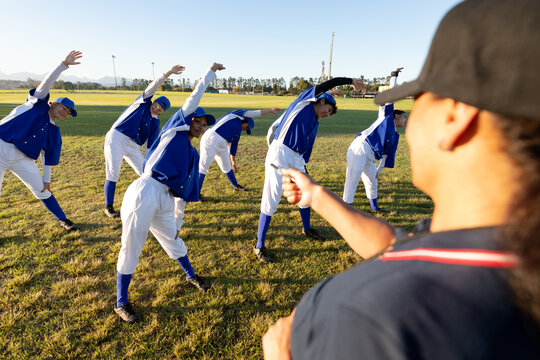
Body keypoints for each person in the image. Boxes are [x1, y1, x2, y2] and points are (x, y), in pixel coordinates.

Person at [262, 0, 540, 358]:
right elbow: (401, 243)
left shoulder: (362, 316)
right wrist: (316, 196)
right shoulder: (511, 250)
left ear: (455, 117)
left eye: (419, 98)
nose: (406, 120)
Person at [114, 62, 225, 323]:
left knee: (174, 240)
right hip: (145, 190)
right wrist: (209, 74)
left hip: (164, 198)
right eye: (198, 121)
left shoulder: (193, 153)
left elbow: (184, 193)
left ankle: (191, 275)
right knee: (132, 246)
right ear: (189, 120)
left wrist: (178, 221)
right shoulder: (174, 130)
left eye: (204, 125)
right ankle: (121, 302)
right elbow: (193, 98)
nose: (200, 126)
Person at [254, 77, 364, 263]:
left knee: (305, 193)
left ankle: (307, 229)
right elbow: (326, 85)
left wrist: (302, 166)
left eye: (330, 113)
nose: (327, 114)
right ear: (320, 101)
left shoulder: (315, 122)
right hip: (280, 154)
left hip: (295, 157)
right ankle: (259, 245)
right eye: (327, 109)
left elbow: (306, 148)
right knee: (271, 200)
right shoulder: (304, 102)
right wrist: (350, 80)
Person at [0, 51, 82, 231]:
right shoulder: (37, 103)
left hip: (23, 158)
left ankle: (64, 220)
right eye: (63, 107)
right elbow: (47, 83)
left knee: (43, 191)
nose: (64, 112)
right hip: (1, 146)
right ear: (53, 103)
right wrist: (63, 65)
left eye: (68, 112)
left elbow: (48, 158)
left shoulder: (54, 132)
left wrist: (47, 181)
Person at [103, 64, 184, 218]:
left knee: (147, 173)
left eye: (160, 109)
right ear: (153, 102)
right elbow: (154, 84)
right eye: (157, 105)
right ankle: (109, 207)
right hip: (117, 138)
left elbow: (150, 147)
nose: (157, 109)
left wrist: (150, 161)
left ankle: (155, 202)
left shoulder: (155, 122)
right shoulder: (143, 102)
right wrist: (168, 72)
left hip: (133, 146)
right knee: (113, 172)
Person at [342, 67, 407, 212]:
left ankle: (375, 208)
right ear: (396, 116)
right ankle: (347, 211)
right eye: (404, 117)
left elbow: (386, 156)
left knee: (372, 182)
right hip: (361, 147)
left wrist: (379, 170)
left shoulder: (395, 135)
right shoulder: (386, 117)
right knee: (352, 180)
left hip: (371, 156)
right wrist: (393, 76)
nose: (405, 120)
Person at [198, 107, 281, 194]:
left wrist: (233, 162)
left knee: (227, 167)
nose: (246, 129)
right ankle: (196, 193)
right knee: (203, 168)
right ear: (245, 121)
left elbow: (233, 147)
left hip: (222, 145)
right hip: (211, 140)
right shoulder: (236, 114)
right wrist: (270, 111)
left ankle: (236, 186)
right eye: (247, 127)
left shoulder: (237, 132)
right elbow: (254, 113)